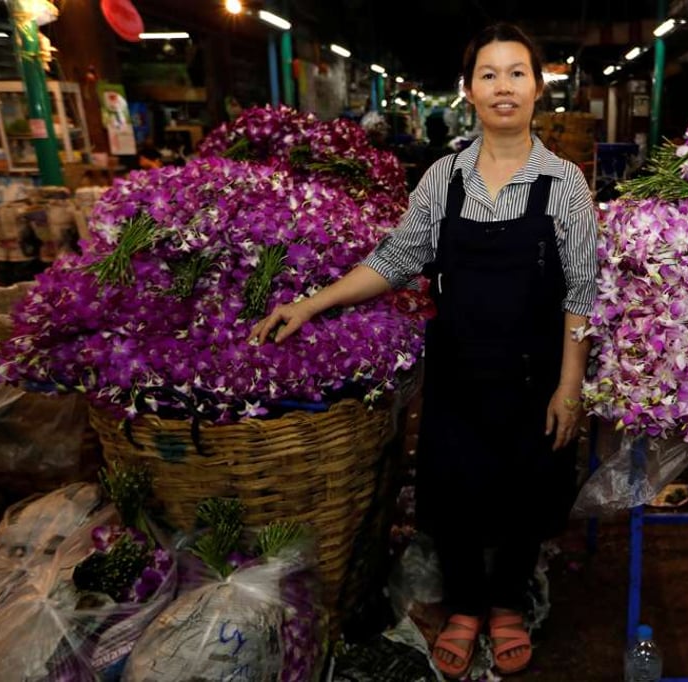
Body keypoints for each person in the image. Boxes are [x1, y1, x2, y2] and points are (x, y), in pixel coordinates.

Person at [249, 22, 598, 678]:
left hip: (534, 375)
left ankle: (507, 604)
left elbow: (581, 292)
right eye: (488, 74)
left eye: (516, 73)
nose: (503, 87)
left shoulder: (567, 185)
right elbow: (396, 259)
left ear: (537, 87)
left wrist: (570, 381)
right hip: (461, 373)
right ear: (469, 90)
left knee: (526, 493)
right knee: (457, 492)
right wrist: (313, 301)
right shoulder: (443, 179)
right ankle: (465, 604)